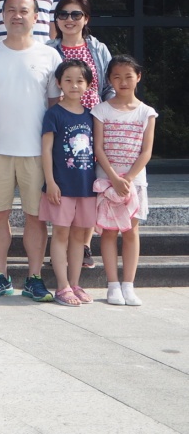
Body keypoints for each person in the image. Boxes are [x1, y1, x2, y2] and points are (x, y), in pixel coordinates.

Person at [0, 0, 62, 302]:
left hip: (37, 152)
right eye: (10, 10)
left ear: (36, 16)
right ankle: (0, 275)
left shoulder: (50, 56)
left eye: (24, 10)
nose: (16, 15)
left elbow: (55, 107)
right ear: (2, 16)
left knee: (36, 218)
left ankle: (34, 277)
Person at [47, 0, 114, 269]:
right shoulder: (49, 50)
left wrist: (109, 119)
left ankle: (84, 245)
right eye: (63, 14)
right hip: (61, 124)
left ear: (86, 19)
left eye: (76, 14)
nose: (69, 20)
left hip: (93, 125)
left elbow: (109, 88)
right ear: (56, 19)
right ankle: (60, 246)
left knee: (89, 182)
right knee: (64, 181)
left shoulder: (98, 49)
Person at [93, 56, 157, 307]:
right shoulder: (101, 110)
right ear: (109, 80)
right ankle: (112, 285)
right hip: (107, 181)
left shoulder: (146, 112)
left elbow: (146, 151)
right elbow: (98, 148)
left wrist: (127, 179)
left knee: (131, 231)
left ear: (138, 77)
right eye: (116, 77)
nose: (123, 81)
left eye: (128, 76)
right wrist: (113, 178)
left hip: (134, 182)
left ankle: (129, 285)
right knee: (109, 232)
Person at [40, 60, 98, 306]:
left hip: (86, 187)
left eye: (80, 81)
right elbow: (46, 150)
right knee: (61, 233)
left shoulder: (92, 115)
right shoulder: (53, 114)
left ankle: (75, 284)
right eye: (68, 80)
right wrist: (50, 182)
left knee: (79, 236)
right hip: (61, 186)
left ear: (89, 85)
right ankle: (62, 286)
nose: (74, 85)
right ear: (59, 83)